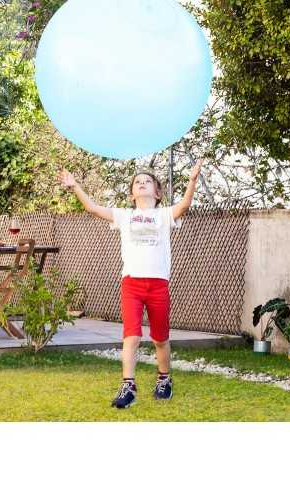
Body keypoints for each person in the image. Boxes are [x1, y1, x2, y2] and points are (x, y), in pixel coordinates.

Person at [60, 160, 203, 408]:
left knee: (160, 338)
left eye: (148, 181)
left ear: (157, 193)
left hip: (158, 285)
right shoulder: (125, 216)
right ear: (132, 193)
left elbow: (184, 205)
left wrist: (191, 181)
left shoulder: (163, 214)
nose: (142, 183)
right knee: (132, 336)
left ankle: (164, 378)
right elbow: (93, 208)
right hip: (132, 285)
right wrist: (75, 187)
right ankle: (128, 385)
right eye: (138, 182)